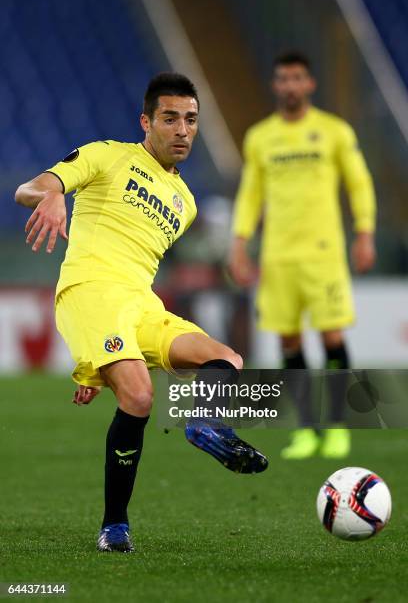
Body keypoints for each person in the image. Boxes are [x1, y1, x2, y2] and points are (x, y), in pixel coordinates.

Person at [15, 73, 267, 554]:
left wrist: (99, 363)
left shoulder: (187, 203)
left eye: (191, 120)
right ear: (146, 122)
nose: (182, 130)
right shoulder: (107, 154)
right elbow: (32, 186)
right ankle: (114, 527)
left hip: (141, 304)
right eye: (170, 118)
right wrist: (49, 196)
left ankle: (205, 424)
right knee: (140, 394)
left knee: (227, 361)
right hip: (91, 291)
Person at [228, 52, 376, 459]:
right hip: (277, 256)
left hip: (323, 252)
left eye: (297, 78)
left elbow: (359, 183)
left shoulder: (334, 131)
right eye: (283, 79)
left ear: (309, 84)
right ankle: (308, 428)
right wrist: (239, 243)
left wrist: (364, 232)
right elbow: (250, 194)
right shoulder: (260, 137)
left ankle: (339, 427)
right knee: (289, 340)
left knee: (332, 336)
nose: (290, 85)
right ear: (276, 85)